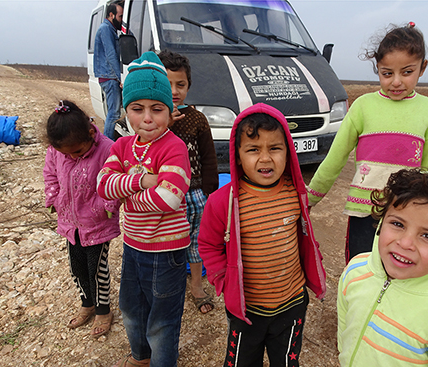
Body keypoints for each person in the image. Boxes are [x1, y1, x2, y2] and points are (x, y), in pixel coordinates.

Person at [306, 22, 428, 264]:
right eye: (387, 73)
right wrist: (310, 199)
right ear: (377, 70)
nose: (396, 82)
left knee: (398, 272)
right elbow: (335, 158)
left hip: (407, 214)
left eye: (407, 72)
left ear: (422, 68)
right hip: (364, 212)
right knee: (360, 269)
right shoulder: (363, 106)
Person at [198, 103, 327, 367]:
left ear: (288, 152)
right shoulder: (224, 201)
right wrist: (222, 278)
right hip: (247, 310)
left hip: (292, 304)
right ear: (238, 155)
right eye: (254, 149)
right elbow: (209, 245)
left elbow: (302, 238)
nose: (265, 158)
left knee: (287, 362)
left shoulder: (295, 193)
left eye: (275, 148)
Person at [97, 51, 191, 367]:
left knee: (162, 320)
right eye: (137, 109)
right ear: (126, 111)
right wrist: (144, 179)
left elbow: (170, 200)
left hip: (167, 253)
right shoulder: (122, 146)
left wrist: (125, 190)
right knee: (131, 309)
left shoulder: (174, 148)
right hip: (134, 247)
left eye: (157, 109)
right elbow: (102, 184)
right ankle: (140, 358)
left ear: (170, 109)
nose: (147, 118)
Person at [337, 168, 428, 366]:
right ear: (382, 221)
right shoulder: (356, 270)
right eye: (398, 224)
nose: (405, 243)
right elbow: (345, 331)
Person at [43, 100, 121, 338]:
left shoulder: (108, 149)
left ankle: (104, 311)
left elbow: (116, 182)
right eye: (65, 153)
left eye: (76, 151)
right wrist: (54, 198)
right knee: (77, 268)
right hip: (71, 224)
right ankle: (87, 303)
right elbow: (50, 175)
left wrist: (105, 206)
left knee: (96, 269)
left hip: (98, 223)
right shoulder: (57, 151)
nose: (71, 156)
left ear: (90, 133)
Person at [158, 49, 219, 314]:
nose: (174, 90)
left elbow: (209, 159)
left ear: (188, 86)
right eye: (167, 83)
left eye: (180, 84)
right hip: (164, 193)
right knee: (166, 241)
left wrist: (209, 193)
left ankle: (196, 285)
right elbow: (145, 152)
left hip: (194, 194)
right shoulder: (153, 119)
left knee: (195, 241)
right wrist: (164, 124)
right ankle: (166, 286)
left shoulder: (197, 119)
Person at [94, 0, 124, 140]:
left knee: (113, 112)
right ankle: (108, 145)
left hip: (108, 76)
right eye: (120, 16)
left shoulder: (110, 29)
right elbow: (111, 54)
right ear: (111, 15)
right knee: (114, 113)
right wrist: (120, 77)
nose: (121, 20)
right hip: (110, 77)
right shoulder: (106, 29)